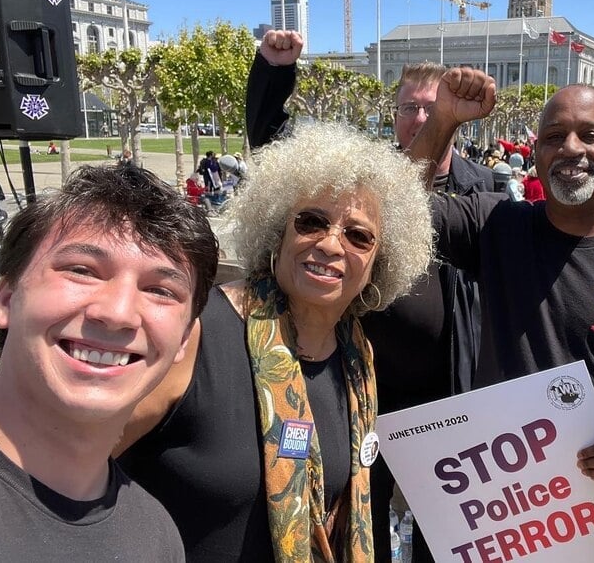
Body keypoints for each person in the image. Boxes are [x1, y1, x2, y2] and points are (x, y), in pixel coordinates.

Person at [117, 122, 434, 561]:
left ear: (378, 263)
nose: (330, 244)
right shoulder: (194, 336)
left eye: (358, 235)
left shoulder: (356, 359)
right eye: (311, 222)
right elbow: (75, 463)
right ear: (277, 232)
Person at [245, 34, 495, 562]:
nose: (422, 118)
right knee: (357, 517)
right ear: (395, 112)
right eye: (411, 108)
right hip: (360, 385)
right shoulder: (360, 183)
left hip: (446, 392)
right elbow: (274, 145)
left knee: (451, 528)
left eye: (433, 108)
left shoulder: (484, 187)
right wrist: (274, 70)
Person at [407, 69, 594, 484]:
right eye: (553, 137)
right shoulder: (494, 224)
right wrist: (443, 119)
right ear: (537, 155)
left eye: (590, 135)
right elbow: (396, 206)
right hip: (506, 498)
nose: (571, 148)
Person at [0, 164, 219, 561]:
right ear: (7, 299)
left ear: (184, 339)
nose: (118, 313)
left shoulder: (155, 539)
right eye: (82, 270)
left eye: (160, 290)